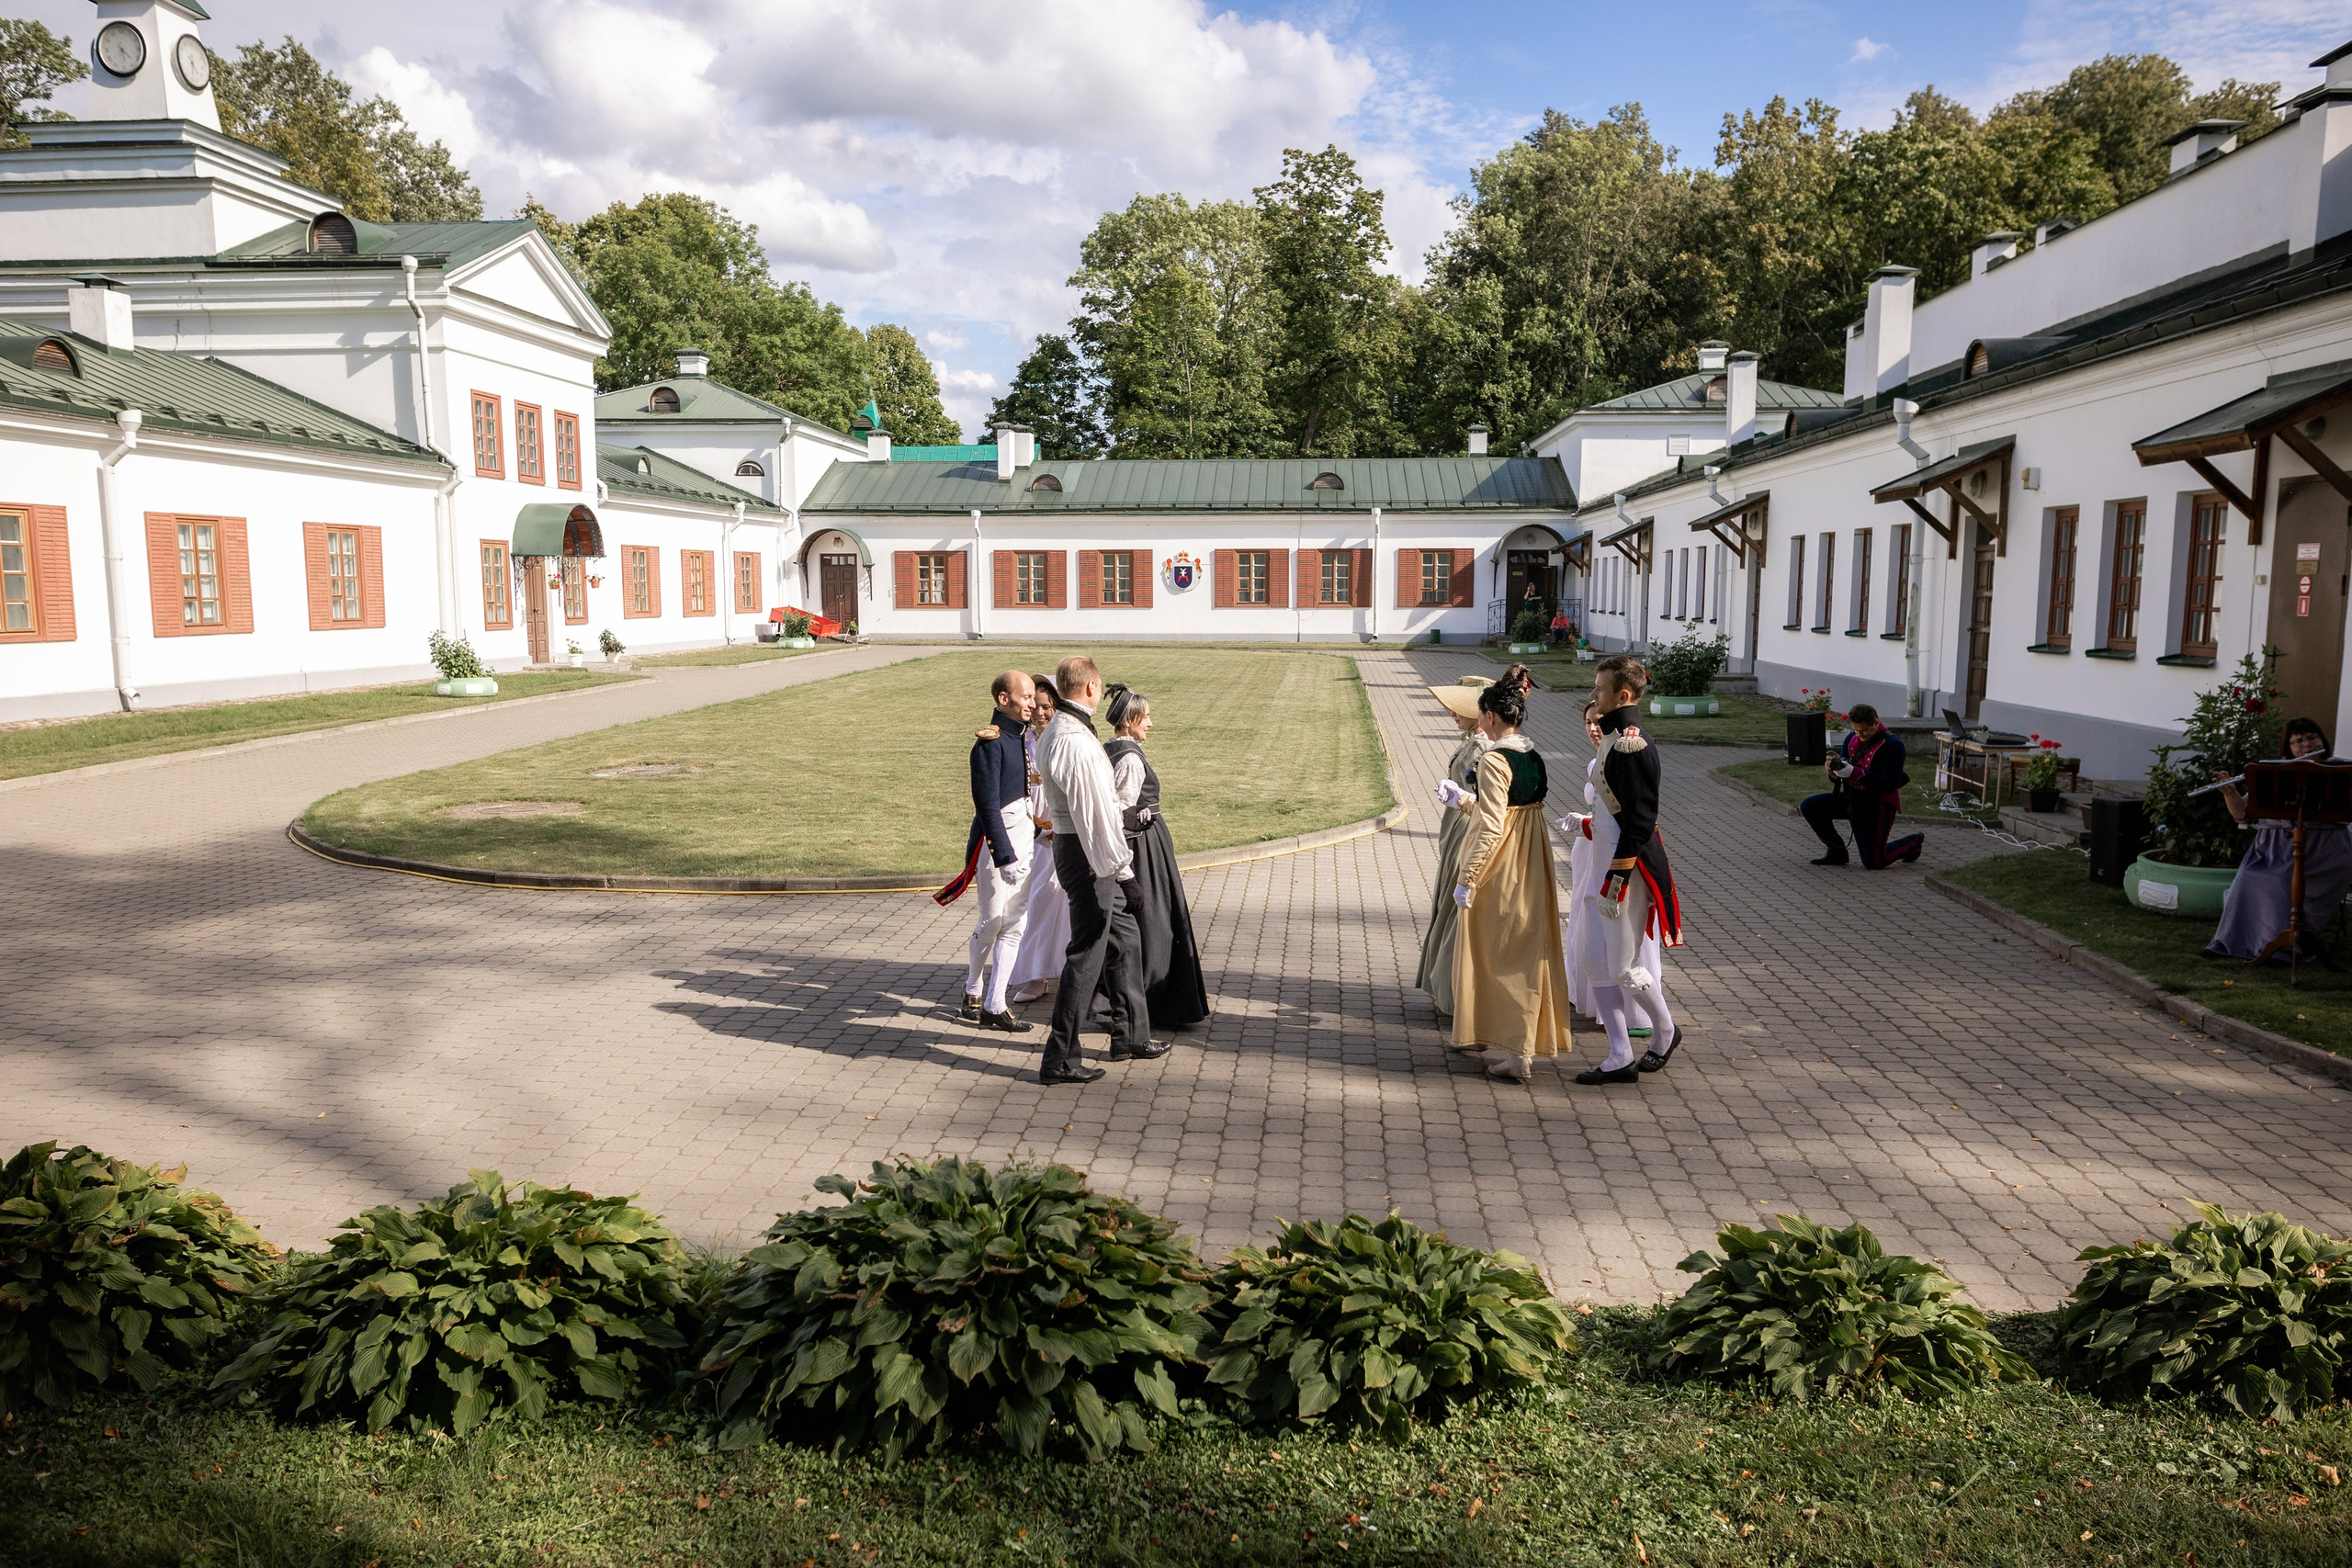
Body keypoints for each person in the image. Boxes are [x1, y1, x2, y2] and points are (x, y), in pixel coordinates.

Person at [1035, 654, 1164, 1085]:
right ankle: (1060, 1057)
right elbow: (1097, 820)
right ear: (1090, 687)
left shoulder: (1063, 729)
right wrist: (1125, 875)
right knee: (1086, 955)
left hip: (1083, 848)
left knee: (1124, 940)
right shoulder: (1074, 738)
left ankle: (1130, 1034)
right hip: (1088, 854)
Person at [1451, 673, 1574, 1081]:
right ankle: (1519, 1046)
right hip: (1533, 857)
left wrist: (1468, 877)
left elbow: (1492, 825)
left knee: (1498, 950)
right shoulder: (1533, 754)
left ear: (1489, 716)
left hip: (1504, 863)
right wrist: (1467, 799)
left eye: (1481, 715)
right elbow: (1516, 809)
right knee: (1526, 946)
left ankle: (1513, 1046)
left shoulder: (1493, 758)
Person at [1575, 654, 1685, 1086]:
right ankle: (1619, 1055)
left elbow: (1640, 820)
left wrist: (1617, 879)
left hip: (1627, 868)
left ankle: (1664, 1031)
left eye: (1599, 688)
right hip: (1604, 860)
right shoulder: (1615, 737)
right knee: (1595, 961)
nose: (1593, 695)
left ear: (1622, 694)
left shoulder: (1630, 744)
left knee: (1623, 966)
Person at [1102, 685, 1212, 1030]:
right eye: (1146, 716)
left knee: (1155, 921)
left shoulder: (1112, 750)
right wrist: (1138, 818)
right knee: (1156, 923)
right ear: (1131, 720)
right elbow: (1118, 809)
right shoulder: (1130, 759)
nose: (1150, 722)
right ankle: (1154, 1003)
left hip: (1147, 846)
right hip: (1142, 851)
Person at [2201, 716, 2352, 964]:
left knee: (2283, 881)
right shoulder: (2275, 772)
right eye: (2298, 741)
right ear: (2288, 749)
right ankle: (2228, 942)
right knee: (2246, 879)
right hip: (2273, 849)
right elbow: (2241, 813)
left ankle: (2285, 948)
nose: (2306, 745)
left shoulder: (2341, 770)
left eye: (2312, 738)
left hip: (2324, 850)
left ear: (2322, 740)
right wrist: (2231, 792)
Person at [940, 671, 1040, 1032]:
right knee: (993, 922)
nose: (1032, 703)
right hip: (997, 847)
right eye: (1026, 697)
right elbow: (987, 805)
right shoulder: (990, 743)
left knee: (1016, 923)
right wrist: (1004, 856)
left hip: (1025, 839)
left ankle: (996, 1003)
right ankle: (973, 987)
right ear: (1003, 700)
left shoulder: (1021, 738)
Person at [1559, 695, 1659, 1025]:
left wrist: (1618, 877)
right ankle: (1618, 1047)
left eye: (1597, 719)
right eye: (1587, 722)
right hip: (1592, 854)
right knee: (1593, 948)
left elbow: (1635, 820)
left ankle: (1656, 1025)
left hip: (1619, 860)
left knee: (1624, 956)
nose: (1593, 728)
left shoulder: (1630, 751)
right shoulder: (1599, 760)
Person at [1415, 678, 1499, 1017]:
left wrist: (1461, 796)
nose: (1452, 712)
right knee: (1445, 900)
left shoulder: (1482, 747)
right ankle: (1445, 986)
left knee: (1454, 903)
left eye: (1461, 707)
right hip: (1457, 823)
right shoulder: (1472, 740)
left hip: (1468, 826)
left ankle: (1454, 992)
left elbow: (1488, 800)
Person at [1006, 675, 1069, 1005]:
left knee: (1061, 905)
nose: (1042, 713)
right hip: (1028, 836)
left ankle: (1072, 972)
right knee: (1030, 905)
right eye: (1037, 707)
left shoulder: (1068, 740)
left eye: (1049, 707)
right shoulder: (1020, 741)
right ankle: (1035, 974)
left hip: (1063, 836)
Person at [1800, 704, 1923, 868]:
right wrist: (1833, 771)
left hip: (1878, 804)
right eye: (1856, 731)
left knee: (1874, 862)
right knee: (1810, 806)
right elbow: (1844, 770)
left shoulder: (1893, 745)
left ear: (1876, 723)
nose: (1860, 735)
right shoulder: (1851, 738)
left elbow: (1889, 783)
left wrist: (1855, 773)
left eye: (1864, 731)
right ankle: (1836, 850)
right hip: (1853, 799)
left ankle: (1913, 843)